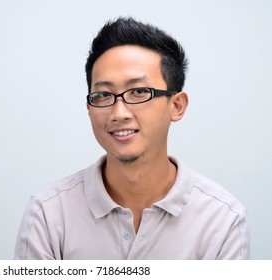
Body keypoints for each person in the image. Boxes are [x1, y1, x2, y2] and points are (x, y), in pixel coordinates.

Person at [14, 17, 250, 259]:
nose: (119, 113)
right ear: (89, 107)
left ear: (177, 106)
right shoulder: (48, 214)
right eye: (103, 94)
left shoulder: (222, 219)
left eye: (139, 92)